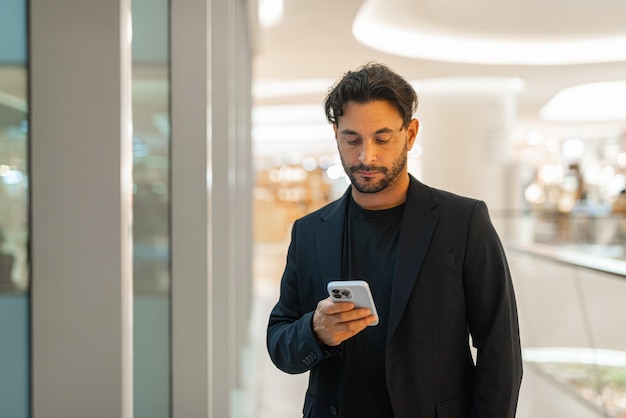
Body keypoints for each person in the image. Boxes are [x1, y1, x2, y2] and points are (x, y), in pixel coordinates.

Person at [266, 62, 523, 418]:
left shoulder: (463, 222)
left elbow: (501, 349)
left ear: (411, 134)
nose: (366, 156)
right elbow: (280, 343)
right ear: (336, 134)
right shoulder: (309, 232)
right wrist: (315, 330)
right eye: (351, 139)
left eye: (382, 139)